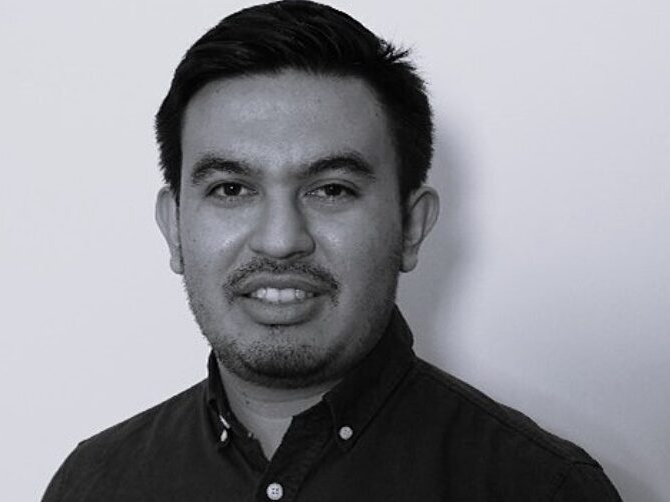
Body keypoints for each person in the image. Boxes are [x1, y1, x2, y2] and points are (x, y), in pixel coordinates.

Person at [42, 1, 622, 500]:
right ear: (174, 228)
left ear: (411, 227)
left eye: (331, 190)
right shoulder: (94, 484)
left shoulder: (540, 488)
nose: (280, 240)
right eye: (232, 189)